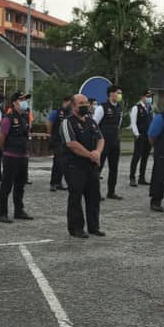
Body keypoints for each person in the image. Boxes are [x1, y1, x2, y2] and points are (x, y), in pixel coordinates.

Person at [61, 94, 105, 238]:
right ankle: (76, 228)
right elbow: (71, 144)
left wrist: (98, 152)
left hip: (91, 166)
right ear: (73, 106)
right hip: (74, 165)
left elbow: (100, 139)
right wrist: (90, 154)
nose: (85, 105)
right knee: (76, 197)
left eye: (86, 103)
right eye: (81, 103)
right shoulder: (67, 122)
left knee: (94, 197)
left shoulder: (91, 121)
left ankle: (94, 226)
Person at [0, 91, 34, 223]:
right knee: (6, 186)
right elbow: (2, 138)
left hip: (22, 155)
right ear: (14, 102)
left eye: (25, 99)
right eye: (21, 100)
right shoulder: (9, 118)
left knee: (20, 185)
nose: (24, 102)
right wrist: (6, 151)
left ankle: (19, 210)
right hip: (11, 156)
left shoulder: (24, 116)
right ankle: (2, 213)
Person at [93, 85, 125, 200]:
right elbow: (94, 124)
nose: (120, 95)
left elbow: (118, 125)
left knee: (114, 168)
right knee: (98, 168)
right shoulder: (102, 107)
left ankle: (111, 192)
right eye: (118, 93)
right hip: (103, 143)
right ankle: (95, 192)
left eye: (120, 93)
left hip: (115, 142)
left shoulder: (119, 108)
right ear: (111, 93)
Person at [129, 90, 155, 187]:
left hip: (148, 136)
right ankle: (132, 178)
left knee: (145, 157)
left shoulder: (150, 108)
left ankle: (142, 178)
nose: (149, 98)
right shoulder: (136, 107)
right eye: (147, 96)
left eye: (150, 97)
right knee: (136, 157)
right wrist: (137, 134)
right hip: (140, 135)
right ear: (142, 97)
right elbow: (133, 123)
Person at [47, 96, 72, 191]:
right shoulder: (56, 112)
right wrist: (50, 135)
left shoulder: (70, 113)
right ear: (65, 101)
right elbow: (49, 123)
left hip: (66, 141)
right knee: (58, 161)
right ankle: (53, 183)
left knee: (64, 162)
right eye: (70, 102)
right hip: (57, 140)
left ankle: (58, 182)